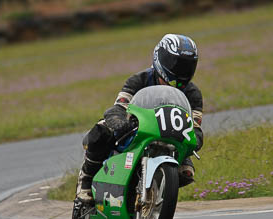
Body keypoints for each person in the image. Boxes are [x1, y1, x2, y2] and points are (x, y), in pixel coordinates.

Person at [76, 33, 204, 203]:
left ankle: (161, 186)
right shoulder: (139, 80)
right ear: (160, 58)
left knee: (186, 171)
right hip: (136, 129)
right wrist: (118, 121)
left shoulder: (193, 93)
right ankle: (86, 179)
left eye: (188, 66)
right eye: (176, 63)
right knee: (101, 130)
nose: (181, 70)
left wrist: (195, 139)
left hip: (172, 137)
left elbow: (194, 126)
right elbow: (120, 106)